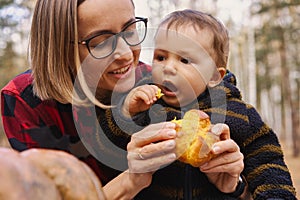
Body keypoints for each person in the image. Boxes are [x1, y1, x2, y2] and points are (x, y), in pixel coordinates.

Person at [0, 1, 236, 199]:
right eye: (101, 42)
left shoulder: (157, 85)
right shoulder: (25, 100)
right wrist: (130, 180)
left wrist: (236, 185)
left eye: (130, 30)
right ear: (60, 47)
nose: (125, 54)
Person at [116, 9, 297, 199]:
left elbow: (268, 160)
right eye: (161, 57)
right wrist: (126, 112)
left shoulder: (238, 112)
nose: (167, 68)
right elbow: (110, 146)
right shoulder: (147, 107)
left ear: (213, 76)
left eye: (184, 60)